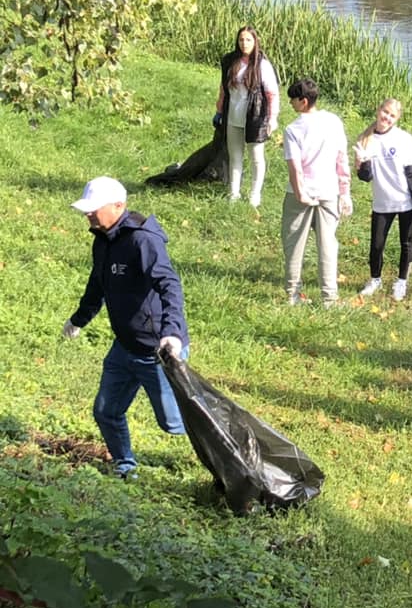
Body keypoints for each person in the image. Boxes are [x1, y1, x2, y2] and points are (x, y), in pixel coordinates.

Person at [61, 177, 189, 479]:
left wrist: (172, 333)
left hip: (157, 351)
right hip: (124, 347)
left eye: (94, 209)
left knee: (174, 423)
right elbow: (97, 284)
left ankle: (222, 444)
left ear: (119, 206)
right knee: (106, 411)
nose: (88, 214)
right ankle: (124, 466)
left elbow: (169, 284)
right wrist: (79, 319)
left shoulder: (142, 241)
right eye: (87, 209)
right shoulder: (102, 239)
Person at [281, 78, 352, 307]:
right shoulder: (333, 121)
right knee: (328, 245)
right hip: (329, 192)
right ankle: (329, 298)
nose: (290, 103)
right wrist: (345, 192)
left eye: (292, 99)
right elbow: (342, 159)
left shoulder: (292, 129)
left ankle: (292, 294)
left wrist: (300, 194)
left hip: (300, 195)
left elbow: (295, 167)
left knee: (294, 244)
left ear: (303, 101)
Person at [353, 98, 412, 302]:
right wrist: (363, 162)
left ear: (397, 118)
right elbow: (365, 177)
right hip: (382, 202)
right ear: (379, 110)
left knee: (406, 242)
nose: (387, 117)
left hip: (406, 202)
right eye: (385, 112)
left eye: (392, 115)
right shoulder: (365, 139)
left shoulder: (404, 139)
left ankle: (401, 282)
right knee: (377, 244)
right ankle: (375, 279)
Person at [215, 25, 279, 207]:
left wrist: (272, 118)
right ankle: (234, 193)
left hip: (255, 116)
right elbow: (223, 88)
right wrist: (219, 110)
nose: (244, 43)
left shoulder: (262, 65)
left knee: (256, 157)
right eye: (241, 39)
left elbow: (272, 94)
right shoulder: (230, 61)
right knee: (235, 156)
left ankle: (254, 194)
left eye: (248, 40)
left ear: (255, 41)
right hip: (233, 116)